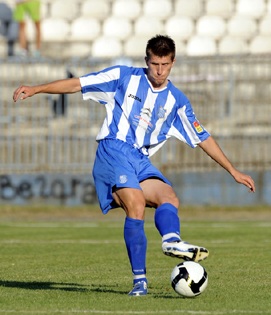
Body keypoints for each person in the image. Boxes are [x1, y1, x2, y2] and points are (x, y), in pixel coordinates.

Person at [13, 35, 255, 296]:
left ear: (173, 63)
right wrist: (37, 89)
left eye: (165, 65)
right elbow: (77, 84)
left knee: (168, 196)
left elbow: (203, 137)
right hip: (113, 149)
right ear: (146, 61)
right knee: (136, 204)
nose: (159, 71)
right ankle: (140, 282)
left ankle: (171, 240)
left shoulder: (177, 102)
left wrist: (232, 170)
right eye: (154, 64)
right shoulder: (123, 77)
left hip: (140, 159)